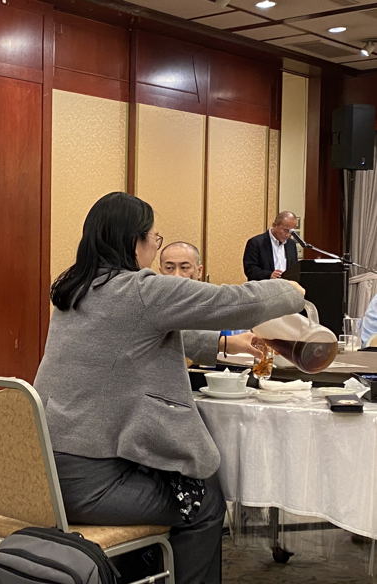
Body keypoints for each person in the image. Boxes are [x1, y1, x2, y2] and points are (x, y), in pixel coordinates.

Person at [34, 192, 305, 584]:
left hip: (43, 471)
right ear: (135, 243)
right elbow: (233, 301)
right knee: (204, 500)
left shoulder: (76, 288)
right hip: (91, 486)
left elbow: (148, 334)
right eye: (154, 238)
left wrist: (224, 344)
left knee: (172, 474)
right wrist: (290, 290)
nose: (154, 246)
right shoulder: (141, 290)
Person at [159, 241, 262, 359]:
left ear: (199, 271)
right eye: (169, 268)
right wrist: (223, 343)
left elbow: (241, 344)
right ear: (160, 271)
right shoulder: (151, 305)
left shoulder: (217, 304)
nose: (176, 275)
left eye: (184, 268)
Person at [243, 211, 299, 281]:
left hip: (286, 285)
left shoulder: (291, 244)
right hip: (263, 285)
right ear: (274, 225)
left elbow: (294, 268)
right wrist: (269, 275)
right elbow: (250, 269)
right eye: (285, 230)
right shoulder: (256, 242)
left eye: (291, 232)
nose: (288, 235)